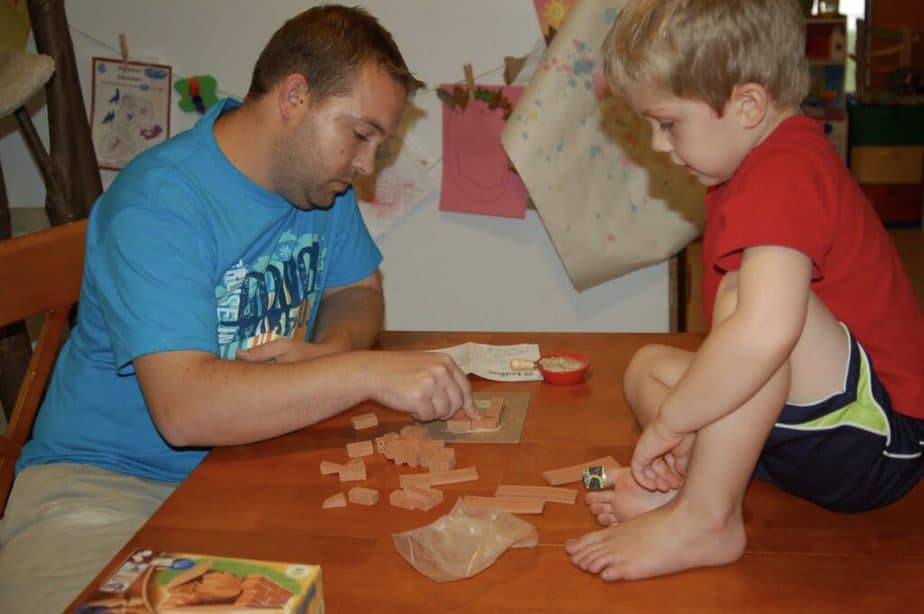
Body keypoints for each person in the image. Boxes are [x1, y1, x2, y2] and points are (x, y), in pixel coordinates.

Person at [0, 5, 477, 611]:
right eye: (360, 135)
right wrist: (364, 371)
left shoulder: (317, 192)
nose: (365, 166)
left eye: (378, 144)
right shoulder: (158, 205)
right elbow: (186, 410)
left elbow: (357, 292)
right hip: (101, 490)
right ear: (295, 97)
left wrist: (331, 350)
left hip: (245, 469)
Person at [565, 0, 924, 581]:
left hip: (877, 445)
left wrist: (673, 422)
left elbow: (767, 333)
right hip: (808, 432)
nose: (658, 145)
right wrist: (679, 421)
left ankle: (706, 518)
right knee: (645, 367)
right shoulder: (756, 166)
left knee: (748, 306)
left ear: (748, 104)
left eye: (668, 123)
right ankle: (690, 487)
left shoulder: (785, 172)